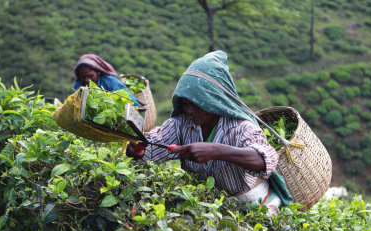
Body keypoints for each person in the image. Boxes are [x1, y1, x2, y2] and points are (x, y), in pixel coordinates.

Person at [126, 50, 282, 214]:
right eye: (185, 104)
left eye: (196, 104)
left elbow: (267, 160)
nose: (189, 111)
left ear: (213, 100)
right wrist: (138, 151)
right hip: (212, 210)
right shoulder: (182, 125)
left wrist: (214, 151)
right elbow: (152, 149)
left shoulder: (240, 127)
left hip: (254, 205)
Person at [72, 54, 139, 104]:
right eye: (83, 77)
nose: (87, 80)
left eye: (91, 76)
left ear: (98, 72)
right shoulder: (79, 85)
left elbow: (131, 100)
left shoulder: (111, 81)